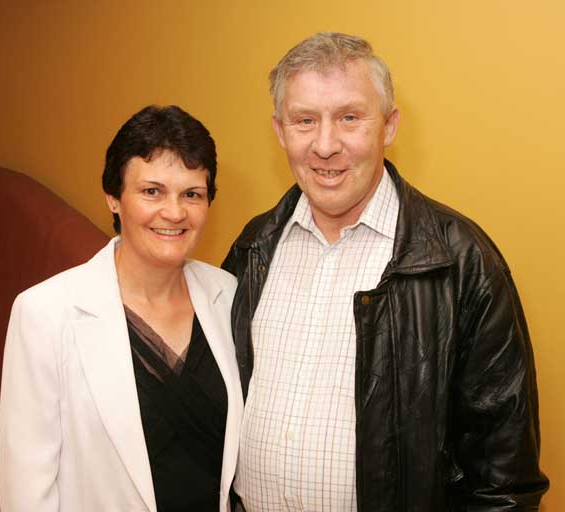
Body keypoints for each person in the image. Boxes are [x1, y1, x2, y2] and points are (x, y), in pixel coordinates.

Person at [222, 32, 548, 511]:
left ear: (390, 126)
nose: (326, 145)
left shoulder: (461, 260)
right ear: (279, 131)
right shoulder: (253, 248)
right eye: (305, 121)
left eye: (350, 118)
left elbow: (503, 478)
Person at [0, 105, 243, 512]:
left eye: (192, 194)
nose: (175, 212)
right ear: (113, 198)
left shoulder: (228, 294)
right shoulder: (44, 313)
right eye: (152, 191)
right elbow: (27, 489)